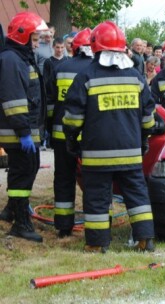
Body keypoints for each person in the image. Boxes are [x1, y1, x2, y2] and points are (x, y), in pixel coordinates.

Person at [62, 21, 156, 253]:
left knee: (97, 198)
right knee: (137, 195)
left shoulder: (86, 76)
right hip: (131, 153)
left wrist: (72, 141)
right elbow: (148, 119)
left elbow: (73, 119)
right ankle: (145, 240)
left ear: (95, 47)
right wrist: (143, 140)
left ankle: (96, 243)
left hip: (97, 155)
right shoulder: (136, 77)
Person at [0, 12, 48, 243]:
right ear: (22, 36)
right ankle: (20, 223)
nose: (37, 43)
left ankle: (11, 211)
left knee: (28, 167)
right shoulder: (11, 59)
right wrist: (23, 133)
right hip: (17, 131)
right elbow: (14, 100)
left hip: (24, 129)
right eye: (35, 38)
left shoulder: (21, 57)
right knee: (24, 171)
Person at [46, 28, 93, 238]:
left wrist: (50, 126)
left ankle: (64, 226)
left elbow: (49, 102)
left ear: (73, 49)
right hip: (90, 138)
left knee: (64, 178)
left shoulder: (61, 67)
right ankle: (99, 224)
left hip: (61, 134)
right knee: (95, 181)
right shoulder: (97, 69)